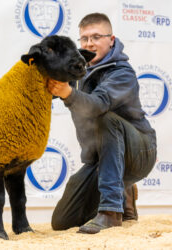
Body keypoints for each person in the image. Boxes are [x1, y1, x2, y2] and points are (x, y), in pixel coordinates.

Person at [47, 13, 157, 234]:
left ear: (111, 40)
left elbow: (98, 104)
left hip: (139, 152)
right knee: (61, 221)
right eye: (85, 38)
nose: (90, 43)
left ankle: (110, 212)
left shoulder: (122, 73)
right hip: (102, 159)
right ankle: (124, 192)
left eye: (97, 37)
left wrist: (67, 92)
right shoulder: (77, 71)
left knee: (104, 117)